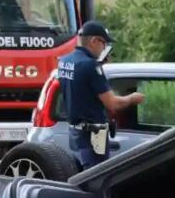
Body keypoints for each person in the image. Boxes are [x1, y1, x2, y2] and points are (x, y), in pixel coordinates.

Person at [56, 21, 145, 170]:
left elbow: (80, 88)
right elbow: (112, 104)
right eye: (104, 43)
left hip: (75, 132)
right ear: (94, 41)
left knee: (83, 175)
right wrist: (132, 98)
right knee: (97, 179)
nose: (104, 48)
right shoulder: (91, 66)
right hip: (93, 135)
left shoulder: (64, 61)